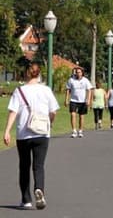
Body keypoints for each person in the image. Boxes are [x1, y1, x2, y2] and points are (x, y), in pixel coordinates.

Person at [3, 63, 59, 210]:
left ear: (27, 73)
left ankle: (26, 199)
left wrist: (7, 130)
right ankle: (39, 188)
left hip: (24, 133)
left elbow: (13, 111)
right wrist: (49, 122)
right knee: (39, 166)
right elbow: (53, 111)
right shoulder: (46, 90)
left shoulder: (19, 91)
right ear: (38, 74)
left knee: (24, 166)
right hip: (42, 133)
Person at [65, 67, 92, 138]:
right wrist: (66, 99)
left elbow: (89, 90)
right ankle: (74, 130)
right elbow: (68, 90)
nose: (78, 74)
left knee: (81, 116)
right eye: (77, 72)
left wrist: (88, 99)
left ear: (82, 73)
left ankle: (80, 130)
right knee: (73, 114)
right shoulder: (71, 80)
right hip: (73, 100)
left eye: (79, 72)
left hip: (82, 101)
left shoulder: (85, 80)